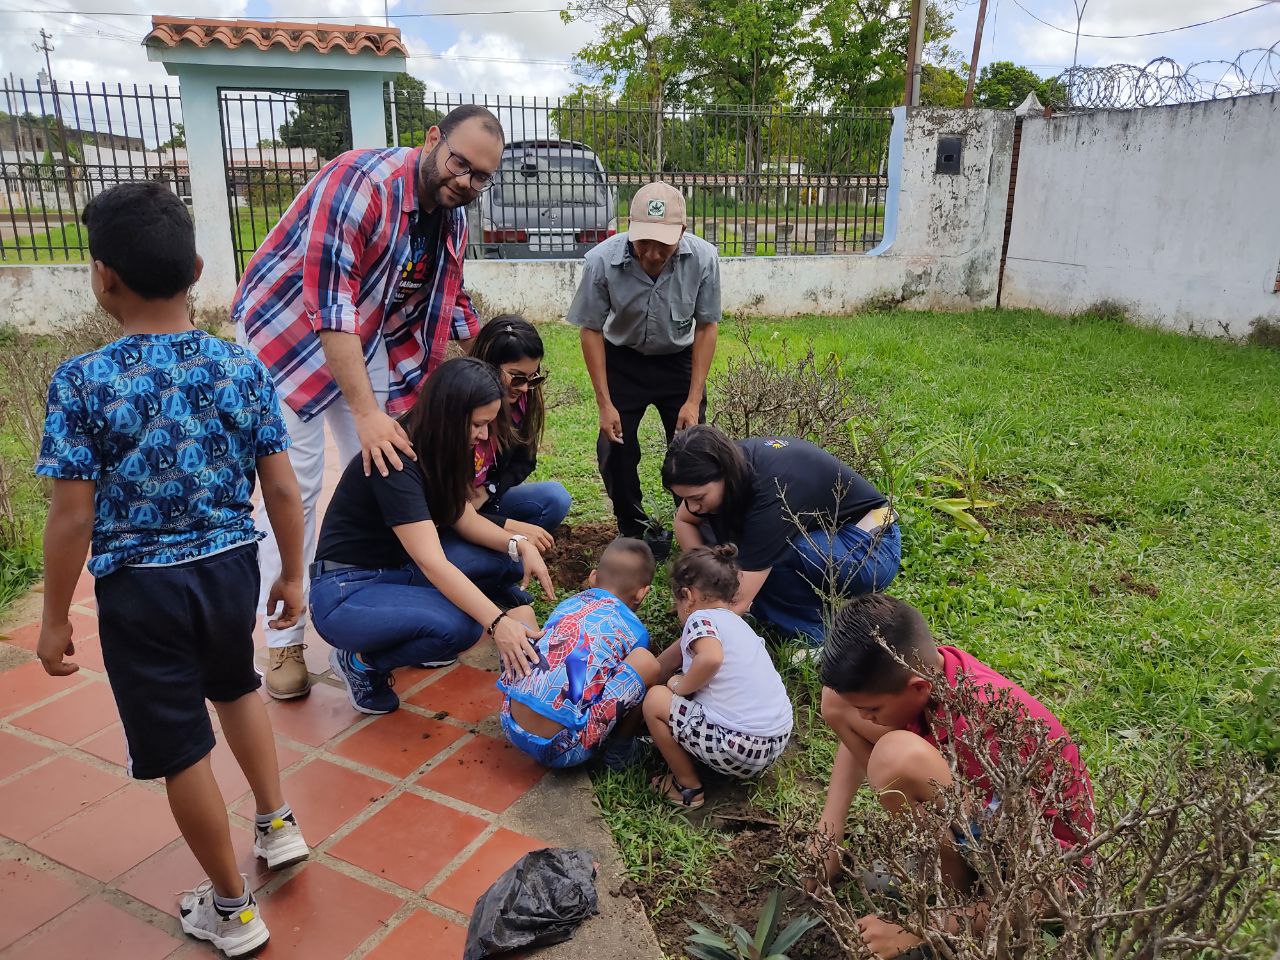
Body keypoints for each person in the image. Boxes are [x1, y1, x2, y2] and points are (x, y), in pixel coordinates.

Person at [34, 182, 309, 957]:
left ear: (103, 276)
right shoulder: (240, 365)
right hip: (231, 568)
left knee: (180, 745)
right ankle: (277, 824)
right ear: (195, 268)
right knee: (237, 686)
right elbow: (281, 487)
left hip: (141, 591)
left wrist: (54, 619)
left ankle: (232, 910)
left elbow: (72, 517)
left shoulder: (82, 381)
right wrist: (292, 573)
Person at [233, 104, 506, 700]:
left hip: (367, 335)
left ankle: (380, 607)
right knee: (296, 486)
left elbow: (450, 300)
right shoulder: (360, 183)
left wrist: (497, 367)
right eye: (460, 163)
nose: (466, 181)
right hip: (288, 336)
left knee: (391, 465)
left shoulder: (451, 217)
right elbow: (330, 304)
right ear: (432, 139)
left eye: (481, 176)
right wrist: (364, 413)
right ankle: (284, 640)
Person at [815, 594, 1094, 958]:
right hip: (983, 814)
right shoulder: (931, 673)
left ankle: (959, 894)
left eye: (872, 709)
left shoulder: (987, 729)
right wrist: (828, 835)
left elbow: (1053, 889)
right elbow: (850, 707)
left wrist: (923, 927)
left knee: (894, 758)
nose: (865, 718)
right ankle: (949, 865)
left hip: (1043, 862)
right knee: (836, 701)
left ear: (918, 687)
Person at [308, 357, 557, 715]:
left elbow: (463, 518)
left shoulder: (444, 443)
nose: (484, 435)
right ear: (450, 415)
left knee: (505, 561)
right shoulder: (396, 458)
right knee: (460, 628)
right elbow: (433, 562)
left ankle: (417, 620)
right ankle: (360, 661)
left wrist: (518, 544)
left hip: (398, 569)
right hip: (345, 590)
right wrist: (498, 623)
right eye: (478, 424)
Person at [566, 180, 720, 538]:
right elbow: (591, 330)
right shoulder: (601, 261)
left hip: (678, 361)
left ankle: (692, 521)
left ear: (682, 231)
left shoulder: (704, 259)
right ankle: (633, 528)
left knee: (692, 447)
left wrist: (693, 399)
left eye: (663, 243)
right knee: (615, 448)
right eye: (643, 241)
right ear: (629, 227)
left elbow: (706, 326)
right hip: (623, 360)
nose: (652, 253)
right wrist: (605, 403)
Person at [663, 425, 900, 646]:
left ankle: (812, 635)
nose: (693, 507)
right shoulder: (725, 465)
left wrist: (695, 626)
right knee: (726, 544)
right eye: (686, 499)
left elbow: (737, 601)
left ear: (723, 473)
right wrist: (700, 581)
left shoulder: (772, 490)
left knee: (769, 554)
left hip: (871, 548)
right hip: (824, 533)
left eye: (698, 498)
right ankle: (777, 609)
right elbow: (684, 521)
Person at [643, 545, 794, 810]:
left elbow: (711, 659)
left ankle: (687, 788)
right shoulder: (738, 625)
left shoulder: (700, 619)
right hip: (776, 739)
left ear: (687, 596)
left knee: (656, 700)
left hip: (740, 746)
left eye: (677, 602)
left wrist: (680, 685)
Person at [498, 538, 662, 769]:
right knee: (646, 662)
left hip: (510, 723)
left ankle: (519, 692)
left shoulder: (569, 604)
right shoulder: (636, 632)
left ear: (593, 577)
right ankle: (620, 751)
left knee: (521, 614)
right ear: (642, 593)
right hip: (564, 749)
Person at [469, 314, 572, 551]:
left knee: (556, 497)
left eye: (532, 378)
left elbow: (524, 462)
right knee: (484, 557)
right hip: (454, 514)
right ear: (488, 364)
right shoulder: (459, 404)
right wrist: (508, 530)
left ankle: (506, 553)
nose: (525, 388)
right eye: (516, 377)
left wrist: (489, 489)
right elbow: (449, 510)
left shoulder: (523, 402)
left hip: (487, 500)